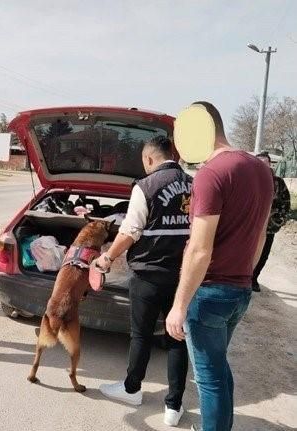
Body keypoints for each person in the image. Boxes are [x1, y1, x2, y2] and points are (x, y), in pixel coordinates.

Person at [166, 101, 273, 431]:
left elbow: (199, 250)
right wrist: (245, 274)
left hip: (209, 293)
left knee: (209, 379)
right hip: (239, 289)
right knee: (218, 369)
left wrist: (178, 306)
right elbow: (260, 236)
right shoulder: (260, 170)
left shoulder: (211, 174)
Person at [96, 136, 191, 427]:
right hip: (183, 276)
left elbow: (130, 231)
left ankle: (132, 389)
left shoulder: (145, 186)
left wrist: (107, 258)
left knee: (141, 335)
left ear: (150, 159)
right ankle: (173, 407)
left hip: (148, 274)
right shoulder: (194, 184)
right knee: (177, 338)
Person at [251, 151, 291, 292]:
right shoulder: (248, 180)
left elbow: (285, 204)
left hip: (268, 227)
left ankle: (253, 278)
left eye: (264, 163)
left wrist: (275, 222)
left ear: (269, 164)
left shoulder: (278, 183)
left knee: (263, 253)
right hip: (249, 226)